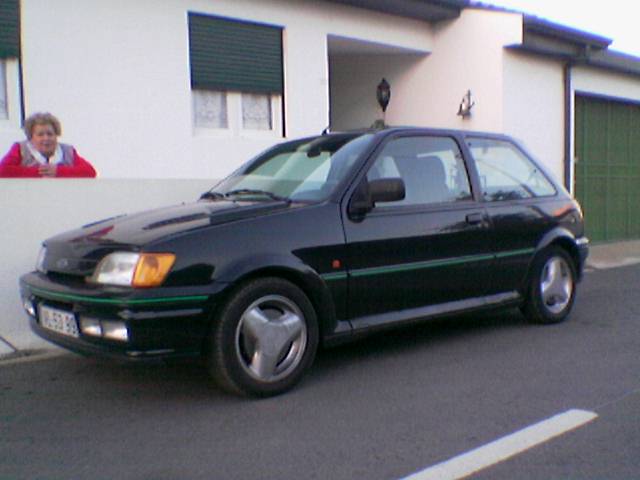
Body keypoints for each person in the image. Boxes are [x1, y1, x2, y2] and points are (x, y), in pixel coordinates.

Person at [0, 112, 96, 178]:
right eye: (40, 134)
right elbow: (3, 171)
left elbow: (89, 172)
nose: (46, 138)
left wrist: (58, 172)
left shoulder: (68, 151)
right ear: (31, 137)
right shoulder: (20, 149)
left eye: (50, 134)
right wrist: (39, 172)